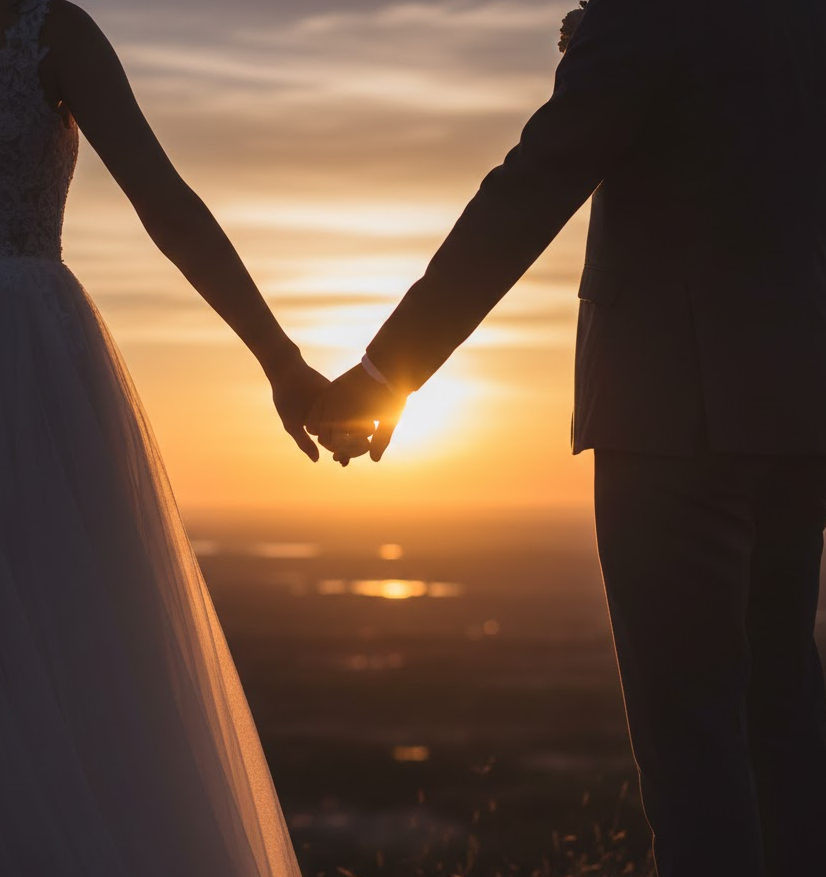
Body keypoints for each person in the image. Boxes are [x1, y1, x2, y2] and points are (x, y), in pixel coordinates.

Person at [307, 0, 826, 874]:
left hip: (672, 418)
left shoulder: (652, 14)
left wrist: (386, 369)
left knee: (693, 745)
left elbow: (533, 185)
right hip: (798, 412)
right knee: (782, 720)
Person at [0, 0, 350, 872]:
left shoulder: (51, 33)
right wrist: (280, 362)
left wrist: (279, 359)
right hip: (24, 359)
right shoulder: (50, 29)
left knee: (35, 657)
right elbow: (164, 201)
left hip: (26, 386)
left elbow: (165, 202)